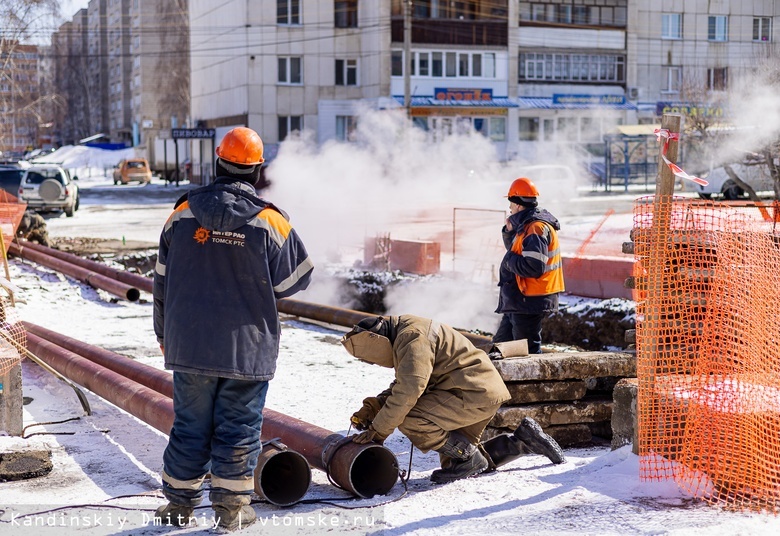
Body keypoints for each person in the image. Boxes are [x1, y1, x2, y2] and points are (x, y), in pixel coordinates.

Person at [152, 127, 313, 530]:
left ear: (219, 164)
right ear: (257, 171)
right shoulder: (270, 220)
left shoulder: (182, 213)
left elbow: (160, 281)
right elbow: (295, 281)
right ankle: (232, 510)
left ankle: (178, 506)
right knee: (238, 427)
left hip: (189, 343)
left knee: (190, 424)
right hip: (247, 347)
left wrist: (163, 334)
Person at [341, 315, 565, 484]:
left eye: (368, 359)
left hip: (468, 394)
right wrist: (374, 408)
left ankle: (469, 457)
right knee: (460, 461)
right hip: (473, 391)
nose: (373, 363)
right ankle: (523, 440)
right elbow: (407, 382)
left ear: (375, 341)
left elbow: (409, 390)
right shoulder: (407, 332)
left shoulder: (411, 337)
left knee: (411, 420)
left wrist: (378, 431)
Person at [493, 177, 564, 354]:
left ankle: (531, 382)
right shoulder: (526, 226)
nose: (509, 207)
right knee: (501, 348)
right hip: (520, 299)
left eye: (511, 203)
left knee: (526, 352)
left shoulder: (536, 228)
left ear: (518, 204)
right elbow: (518, 252)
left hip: (529, 298)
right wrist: (509, 233)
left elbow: (533, 267)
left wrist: (508, 260)